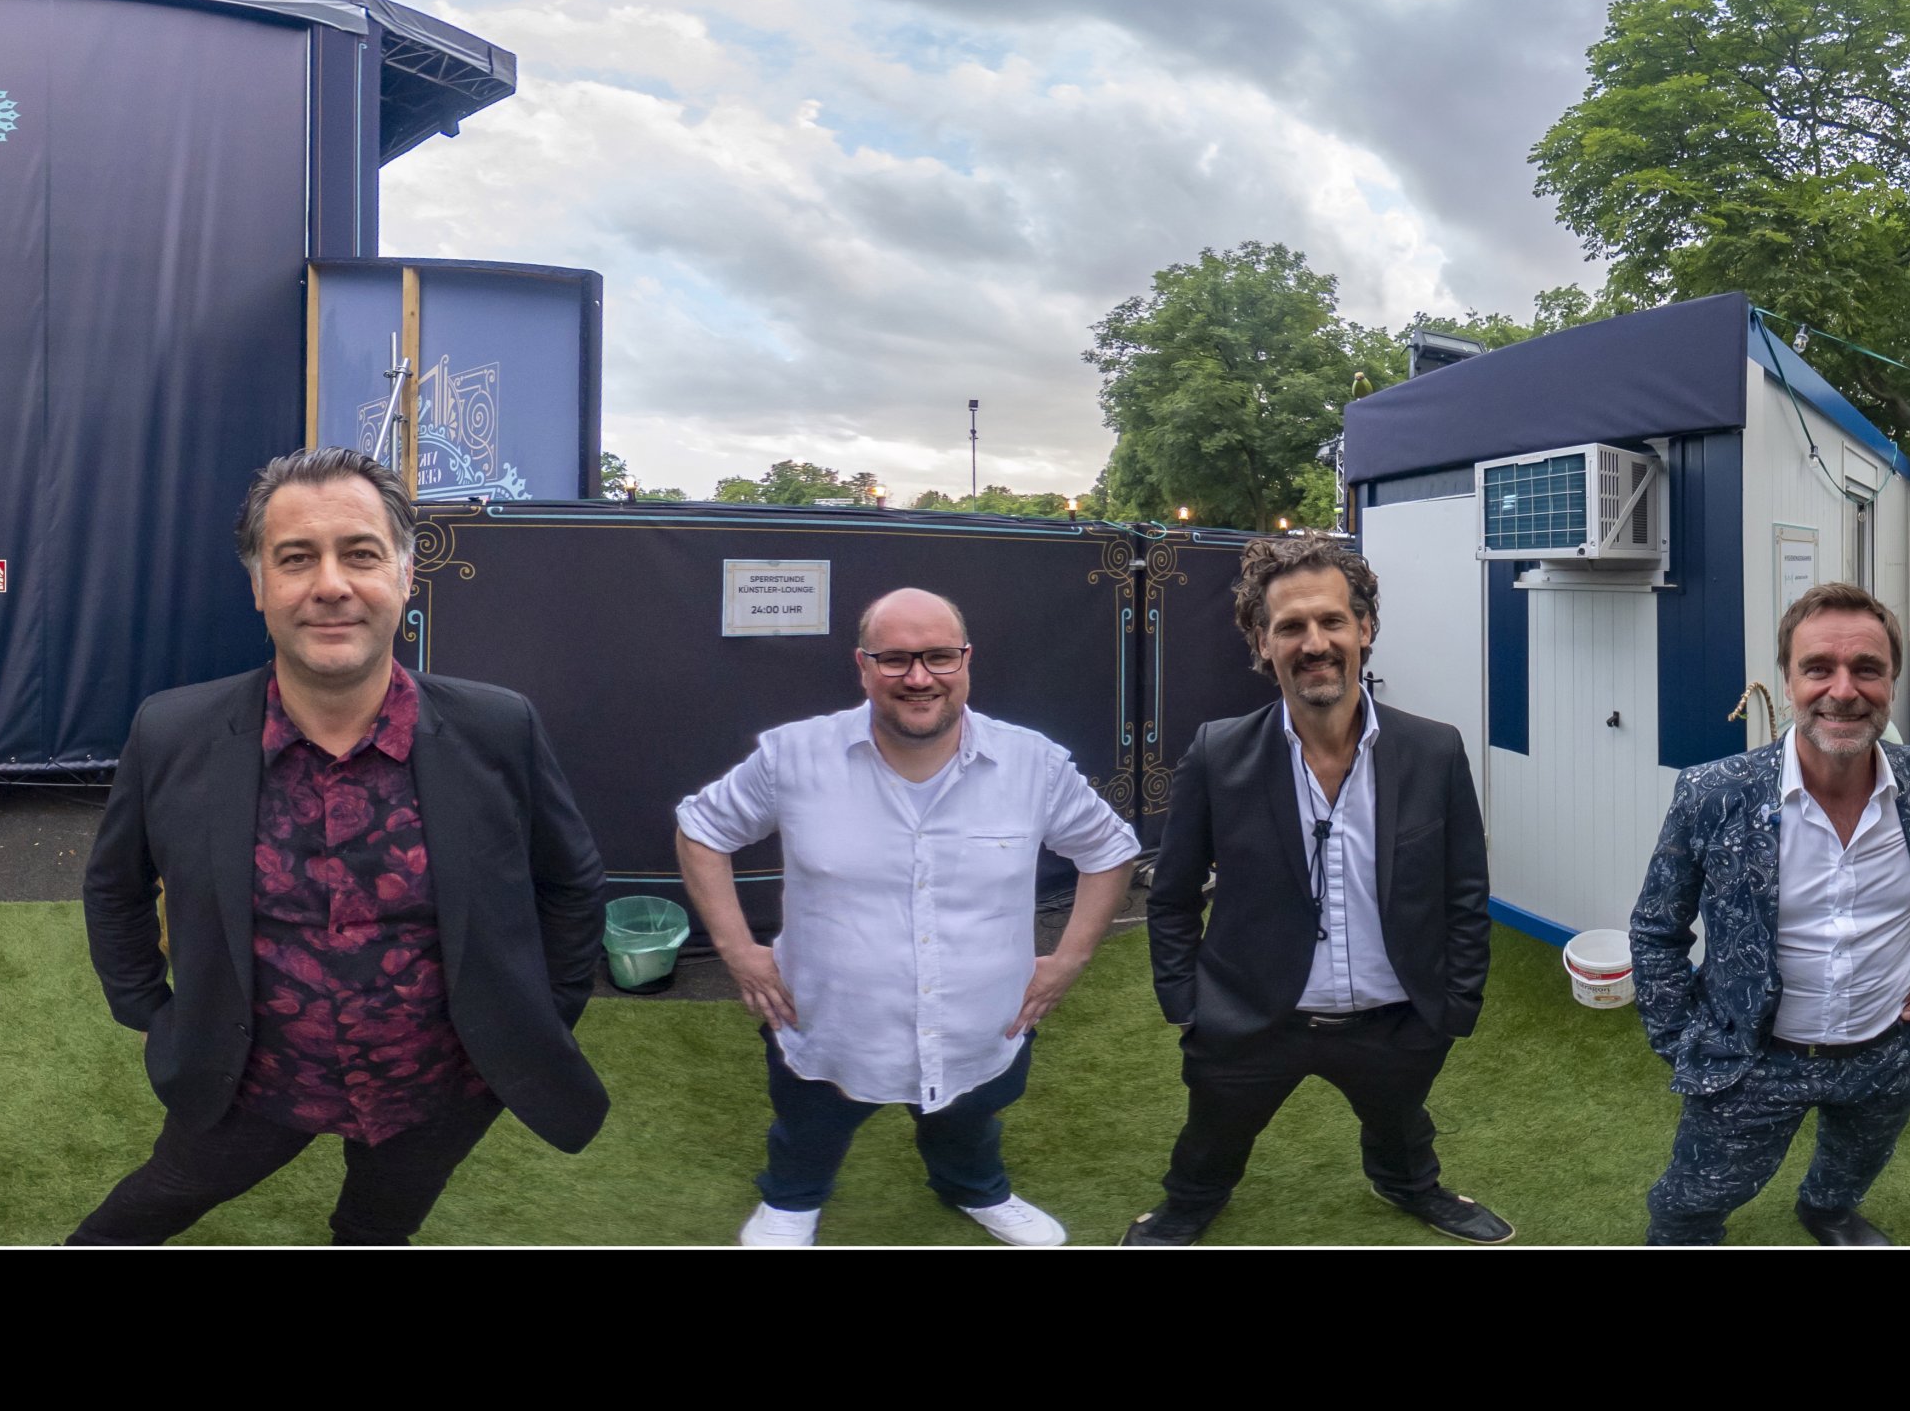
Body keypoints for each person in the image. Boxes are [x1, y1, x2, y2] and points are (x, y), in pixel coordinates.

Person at [72, 448, 609, 1245]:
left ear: (405, 573)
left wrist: (538, 1017)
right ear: (259, 586)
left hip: (439, 1088)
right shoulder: (173, 733)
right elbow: (115, 887)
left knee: (376, 1230)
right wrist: (151, 1013)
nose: (330, 585)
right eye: (296, 558)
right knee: (148, 1208)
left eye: (360, 554)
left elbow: (570, 884)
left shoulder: (499, 730)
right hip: (246, 1081)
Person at [677, 588, 1139, 1246]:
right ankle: (792, 1200)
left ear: (966, 659)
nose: (919, 678)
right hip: (830, 1026)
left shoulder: (1032, 765)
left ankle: (976, 1188)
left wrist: (1070, 959)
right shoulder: (793, 757)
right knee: (808, 1127)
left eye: (939, 657)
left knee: (970, 1125)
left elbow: (1109, 850)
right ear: (862, 666)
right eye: (894, 659)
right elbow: (702, 830)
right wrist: (736, 950)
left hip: (980, 1027)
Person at [1123, 534, 1509, 1245]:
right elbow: (1172, 895)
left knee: (1401, 1124)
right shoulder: (1217, 752)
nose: (1315, 643)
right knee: (1212, 1133)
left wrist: (1454, 1005)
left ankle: (1410, 1186)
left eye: (1332, 620)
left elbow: (1463, 889)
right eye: (1290, 626)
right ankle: (1189, 1203)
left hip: (1398, 1018)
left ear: (1365, 628)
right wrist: (1187, 1006)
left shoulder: (1434, 750)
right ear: (1261, 642)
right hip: (1250, 1017)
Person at [1631, 581, 1910, 1245]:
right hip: (1753, 1061)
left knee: (1853, 1164)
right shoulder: (1712, 793)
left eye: (1867, 668)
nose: (1843, 690)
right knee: (1695, 1198)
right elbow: (1657, 930)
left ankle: (1828, 1212)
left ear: (1891, 681)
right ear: (1788, 681)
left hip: (1889, 1049)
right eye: (1818, 668)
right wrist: (1680, 1040)